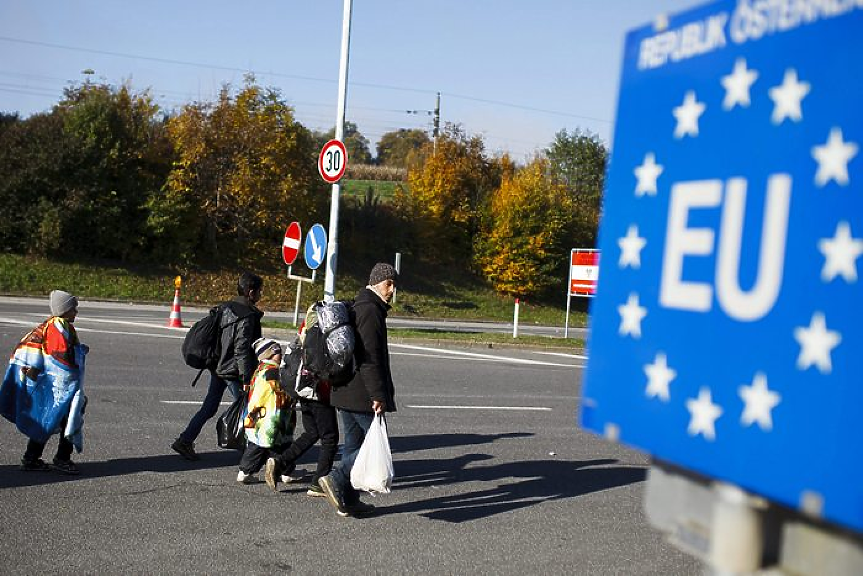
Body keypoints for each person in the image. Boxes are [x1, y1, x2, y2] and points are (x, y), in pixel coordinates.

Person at [318, 262, 398, 517]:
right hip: (362, 393)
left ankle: (348, 500)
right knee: (372, 447)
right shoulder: (370, 310)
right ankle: (336, 478)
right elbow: (369, 357)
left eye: (394, 284)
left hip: (345, 390)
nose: (392, 289)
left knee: (353, 447)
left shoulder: (358, 304)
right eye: (389, 284)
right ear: (377, 283)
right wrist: (378, 395)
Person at [172, 272, 264, 460]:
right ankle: (252, 454)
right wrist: (247, 378)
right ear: (251, 292)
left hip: (218, 367)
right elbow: (241, 349)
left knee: (210, 407)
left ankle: (185, 440)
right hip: (233, 371)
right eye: (260, 291)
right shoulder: (246, 316)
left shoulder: (226, 307)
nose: (261, 295)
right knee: (248, 408)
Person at [0, 290, 87, 474]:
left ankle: (31, 458)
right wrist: (72, 389)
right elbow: (59, 362)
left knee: (48, 417)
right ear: (64, 310)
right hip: (56, 385)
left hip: (46, 381)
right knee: (66, 416)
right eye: (73, 308)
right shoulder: (58, 328)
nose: (76, 312)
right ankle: (62, 459)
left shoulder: (55, 325)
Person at [263, 340, 339, 496]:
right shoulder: (328, 326)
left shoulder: (309, 324)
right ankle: (318, 484)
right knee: (330, 437)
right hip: (319, 389)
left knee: (312, 432)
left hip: (302, 385)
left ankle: (280, 462)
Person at [237, 338, 297, 484]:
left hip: (261, 415)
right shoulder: (272, 372)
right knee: (268, 445)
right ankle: (246, 471)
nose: (280, 355)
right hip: (271, 415)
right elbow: (280, 391)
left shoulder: (260, 369)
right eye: (277, 353)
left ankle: (282, 471)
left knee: (264, 444)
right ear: (267, 355)